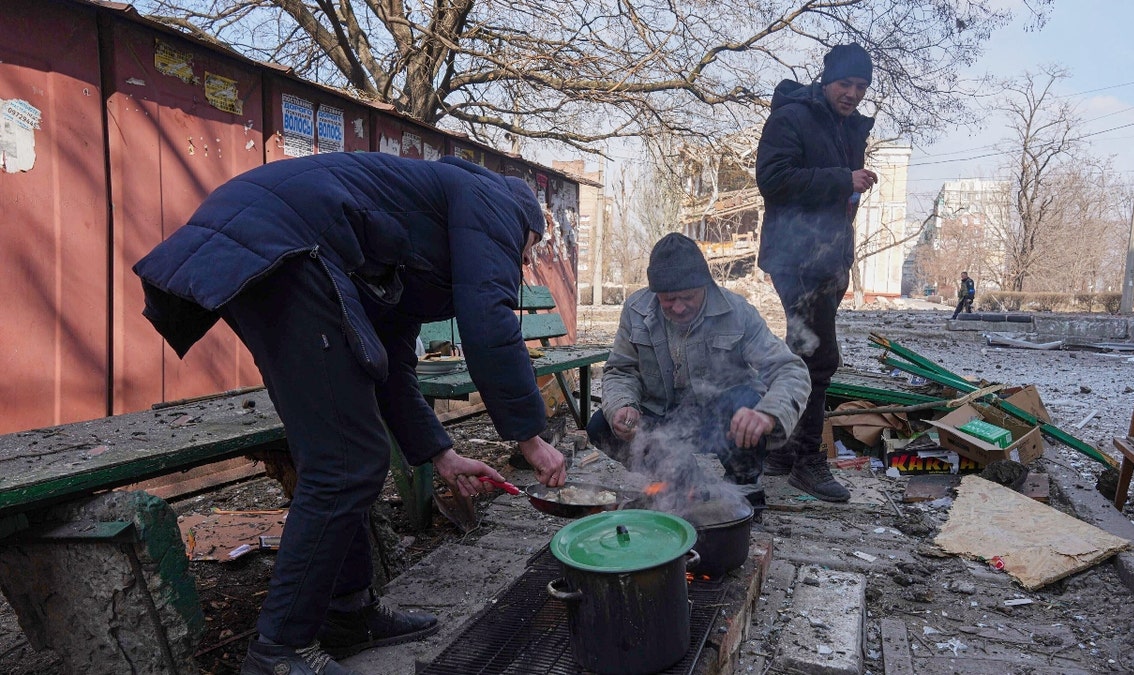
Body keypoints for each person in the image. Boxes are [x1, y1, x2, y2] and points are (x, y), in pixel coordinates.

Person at [133, 153, 568, 675]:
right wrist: (530, 438)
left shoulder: (420, 238)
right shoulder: (500, 202)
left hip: (268, 242)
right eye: (527, 253)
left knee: (349, 450)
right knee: (343, 461)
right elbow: (489, 320)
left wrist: (441, 454)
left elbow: (393, 373)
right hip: (287, 244)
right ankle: (278, 652)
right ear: (527, 229)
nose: (520, 265)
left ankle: (347, 615)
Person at [587, 233, 811, 512]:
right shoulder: (636, 310)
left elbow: (790, 370)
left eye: (688, 297)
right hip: (664, 421)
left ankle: (743, 489)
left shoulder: (737, 312)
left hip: (718, 423)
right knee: (602, 426)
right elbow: (621, 370)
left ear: (705, 285)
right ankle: (681, 480)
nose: (678, 307)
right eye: (668, 300)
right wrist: (623, 406)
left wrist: (767, 414)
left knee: (746, 402)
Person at [754, 43, 877, 502]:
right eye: (845, 83)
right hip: (797, 257)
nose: (852, 93)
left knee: (802, 354)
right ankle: (808, 461)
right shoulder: (792, 117)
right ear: (826, 79)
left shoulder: (848, 127)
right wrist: (842, 179)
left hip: (829, 257)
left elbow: (833, 192)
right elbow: (773, 179)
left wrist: (852, 189)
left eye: (861, 86)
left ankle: (782, 451)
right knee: (820, 359)